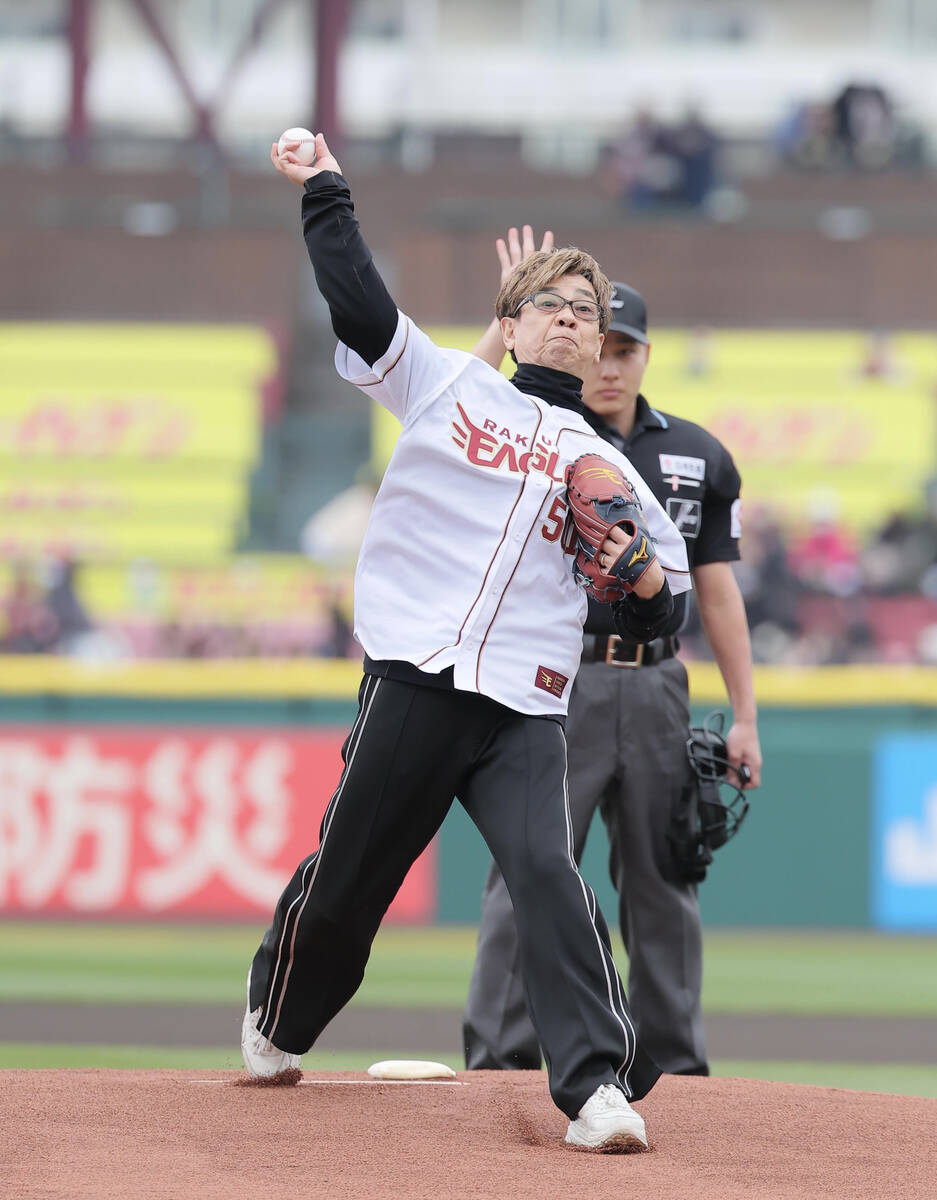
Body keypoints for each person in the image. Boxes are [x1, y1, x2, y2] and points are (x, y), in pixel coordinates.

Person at [241, 135, 691, 1152]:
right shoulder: (446, 388)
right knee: (351, 875)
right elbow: (356, 301)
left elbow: (659, 616)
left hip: (523, 705)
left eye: (586, 313)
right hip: (415, 675)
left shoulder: (604, 464)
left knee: (548, 875)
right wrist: (323, 186)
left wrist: (644, 579)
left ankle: (594, 1092)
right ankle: (278, 1016)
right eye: (551, 306)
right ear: (511, 321)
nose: (572, 323)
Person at [463, 235, 761, 1077]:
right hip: (562, 677)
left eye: (627, 347)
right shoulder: (534, 432)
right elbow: (458, 403)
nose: (613, 362)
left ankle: (674, 1067)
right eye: (604, 343)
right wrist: (504, 310)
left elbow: (715, 592)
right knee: (529, 868)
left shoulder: (696, 455)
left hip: (660, 680)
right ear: (580, 345)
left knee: (666, 878)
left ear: (640, 354)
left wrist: (744, 718)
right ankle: (499, 1059)